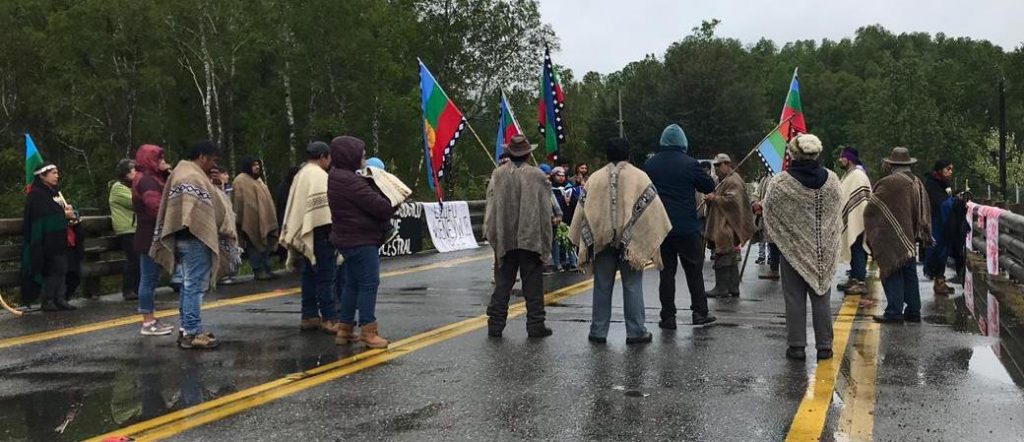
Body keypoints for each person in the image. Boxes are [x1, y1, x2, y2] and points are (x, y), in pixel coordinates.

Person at [571, 137, 670, 344]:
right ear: (628, 153)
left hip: (601, 241)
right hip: (631, 244)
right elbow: (654, 210)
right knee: (632, 286)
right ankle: (636, 332)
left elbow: (582, 209)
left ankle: (598, 331)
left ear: (607, 154)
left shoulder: (595, 178)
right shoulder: (639, 177)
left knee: (601, 285)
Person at [757, 134, 843, 360]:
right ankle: (824, 346)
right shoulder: (832, 180)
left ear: (793, 154)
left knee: (794, 298)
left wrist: (764, 212)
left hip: (791, 249)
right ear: (817, 153)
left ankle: (796, 346)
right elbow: (836, 213)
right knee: (821, 295)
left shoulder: (781, 182)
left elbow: (770, 211)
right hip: (823, 250)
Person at [151, 140, 237, 349]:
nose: (214, 166)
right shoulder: (190, 176)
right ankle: (192, 331)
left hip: (187, 238)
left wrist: (214, 184)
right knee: (194, 286)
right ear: (202, 156)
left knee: (189, 285)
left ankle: (186, 329)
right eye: (213, 160)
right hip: (193, 238)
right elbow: (196, 210)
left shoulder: (185, 173)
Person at [643, 123, 718, 327]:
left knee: (666, 274)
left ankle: (668, 316)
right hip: (686, 227)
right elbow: (709, 186)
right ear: (683, 142)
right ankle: (699, 313)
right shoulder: (690, 163)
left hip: (661, 227)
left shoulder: (651, 165)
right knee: (694, 271)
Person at [327, 135, 396, 348]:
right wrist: (394, 198)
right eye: (362, 156)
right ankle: (368, 330)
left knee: (352, 284)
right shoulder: (350, 181)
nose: (364, 161)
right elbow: (381, 207)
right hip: (361, 239)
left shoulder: (336, 177)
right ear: (350, 156)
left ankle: (345, 328)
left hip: (347, 238)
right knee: (368, 283)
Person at [484, 135, 554, 339]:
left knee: (503, 284)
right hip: (530, 237)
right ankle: (535, 325)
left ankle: (495, 325)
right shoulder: (537, 176)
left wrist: (493, 236)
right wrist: (545, 241)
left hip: (504, 237)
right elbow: (544, 210)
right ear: (528, 153)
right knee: (532, 285)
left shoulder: (498, 175)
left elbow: (491, 209)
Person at [280, 142, 341, 337]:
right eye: (329, 157)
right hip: (321, 232)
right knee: (326, 276)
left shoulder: (301, 173)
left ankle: (309, 315)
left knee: (309, 274)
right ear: (324, 156)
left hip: (307, 232)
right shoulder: (319, 175)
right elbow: (324, 210)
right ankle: (329, 318)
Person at [864, 147, 932, 324]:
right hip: (910, 236)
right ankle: (913, 310)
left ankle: (894, 311)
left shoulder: (890, 183)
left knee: (892, 270)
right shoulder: (917, 181)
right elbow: (923, 210)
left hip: (892, 237)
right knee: (910, 273)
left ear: (892, 164)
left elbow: (873, 208)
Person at [21, 162, 79, 311]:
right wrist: (62, 215)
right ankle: (48, 299)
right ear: (42, 175)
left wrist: (70, 212)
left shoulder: (55, 193)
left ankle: (60, 297)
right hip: (45, 240)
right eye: (53, 173)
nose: (56, 176)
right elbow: (42, 216)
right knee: (52, 269)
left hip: (60, 238)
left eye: (56, 172)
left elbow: (57, 211)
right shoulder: (36, 195)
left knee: (62, 268)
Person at [132, 145, 175, 336]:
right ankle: (147, 322)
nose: (162, 161)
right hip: (150, 234)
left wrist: (167, 174)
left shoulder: (152, 178)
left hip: (152, 233)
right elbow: (156, 206)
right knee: (148, 279)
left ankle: (151, 318)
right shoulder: (147, 181)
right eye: (159, 158)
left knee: (152, 278)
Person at [705, 153, 755, 297]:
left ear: (727, 164)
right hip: (721, 221)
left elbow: (732, 200)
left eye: (718, 165)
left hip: (728, 224)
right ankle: (733, 287)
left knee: (723, 254)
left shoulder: (733, 180)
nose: (716, 169)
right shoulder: (722, 180)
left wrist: (715, 198)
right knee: (730, 255)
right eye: (715, 166)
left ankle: (721, 288)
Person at [233, 156, 279, 281]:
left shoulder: (258, 180)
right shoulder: (240, 180)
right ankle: (258, 270)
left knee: (266, 245)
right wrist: (241, 220)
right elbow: (240, 202)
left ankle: (266, 267)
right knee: (254, 245)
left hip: (264, 219)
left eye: (258, 164)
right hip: (250, 220)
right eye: (254, 164)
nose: (257, 167)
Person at [836, 147, 871, 295]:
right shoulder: (849, 174)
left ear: (849, 159)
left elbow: (860, 199)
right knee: (853, 248)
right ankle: (855, 277)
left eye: (842, 157)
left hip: (858, 218)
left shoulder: (857, 175)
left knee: (857, 248)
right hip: (851, 217)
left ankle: (860, 281)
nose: (840, 160)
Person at [923, 159, 955, 295]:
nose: (950, 172)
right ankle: (939, 282)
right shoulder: (932, 184)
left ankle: (940, 281)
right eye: (948, 169)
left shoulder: (942, 183)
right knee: (936, 251)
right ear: (940, 170)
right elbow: (941, 203)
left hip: (942, 224)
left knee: (943, 251)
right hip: (934, 223)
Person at [110, 159, 140, 301]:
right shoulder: (118, 188)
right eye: (133, 170)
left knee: (140, 259)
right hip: (127, 228)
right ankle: (128, 290)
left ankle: (138, 288)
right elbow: (136, 202)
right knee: (133, 259)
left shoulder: (134, 186)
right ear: (125, 173)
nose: (137, 172)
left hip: (137, 228)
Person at [550, 166, 580, 272]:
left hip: (568, 217)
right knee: (556, 241)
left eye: (563, 175)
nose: (561, 178)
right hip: (555, 218)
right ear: (553, 176)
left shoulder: (569, 187)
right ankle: (558, 263)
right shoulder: (550, 188)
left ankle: (573, 262)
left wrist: (569, 200)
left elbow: (577, 202)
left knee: (569, 239)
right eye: (559, 175)